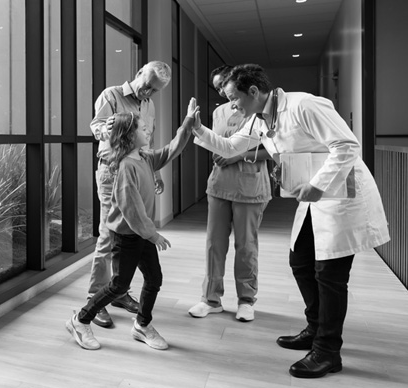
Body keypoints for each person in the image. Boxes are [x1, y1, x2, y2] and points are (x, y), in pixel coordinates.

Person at [192, 64, 390, 378]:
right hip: (312, 199)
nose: (232, 105)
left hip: (341, 196)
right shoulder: (258, 120)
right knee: (300, 262)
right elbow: (230, 147)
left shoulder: (304, 105)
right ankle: (315, 328)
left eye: (234, 98)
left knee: (330, 276)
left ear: (253, 92)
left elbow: (348, 145)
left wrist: (318, 184)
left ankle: (328, 351)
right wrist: (198, 130)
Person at [66, 98, 200, 351]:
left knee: (154, 279)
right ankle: (80, 320)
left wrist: (188, 123)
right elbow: (131, 209)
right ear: (128, 136)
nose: (148, 130)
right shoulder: (126, 167)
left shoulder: (145, 158)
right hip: (127, 236)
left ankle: (142, 324)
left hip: (142, 235)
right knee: (120, 285)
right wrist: (153, 234)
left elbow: (172, 149)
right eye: (142, 128)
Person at [88, 61, 171, 328]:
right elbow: (96, 126)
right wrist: (107, 129)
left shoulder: (149, 105)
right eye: (147, 86)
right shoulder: (111, 95)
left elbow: (150, 138)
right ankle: (95, 297)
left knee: (130, 234)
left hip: (139, 168)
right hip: (112, 171)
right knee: (108, 235)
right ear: (138, 74)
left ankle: (119, 292)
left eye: (154, 91)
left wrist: (155, 172)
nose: (148, 93)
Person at [188, 65, 271, 322]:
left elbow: (273, 149)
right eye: (217, 88)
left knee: (246, 246)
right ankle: (210, 299)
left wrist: (238, 156)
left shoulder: (256, 108)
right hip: (220, 185)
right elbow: (217, 142)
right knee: (214, 244)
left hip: (250, 186)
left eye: (225, 84)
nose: (223, 92)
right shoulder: (218, 111)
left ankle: (246, 300)